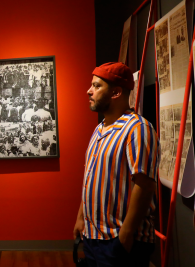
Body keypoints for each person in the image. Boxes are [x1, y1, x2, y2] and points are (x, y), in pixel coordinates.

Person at [73, 62, 160, 267]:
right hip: (93, 235)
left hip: (119, 239)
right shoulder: (100, 128)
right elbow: (91, 179)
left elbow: (144, 184)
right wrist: (81, 217)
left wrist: (126, 234)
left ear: (116, 92)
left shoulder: (137, 128)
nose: (89, 91)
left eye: (96, 86)